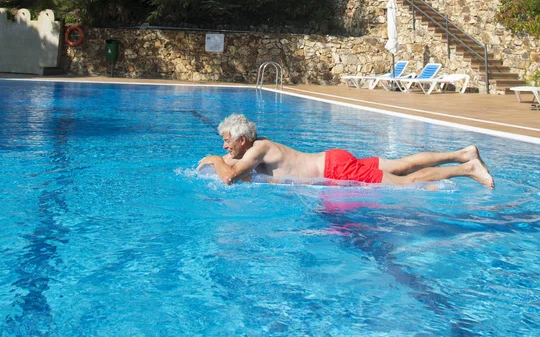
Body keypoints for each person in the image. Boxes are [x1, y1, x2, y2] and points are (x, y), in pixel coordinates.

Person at [197, 114, 494, 189]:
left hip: (334, 170)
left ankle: (466, 168)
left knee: (404, 182)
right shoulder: (259, 146)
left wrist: (213, 160)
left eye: (227, 141)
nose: (224, 146)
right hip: (334, 159)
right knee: (401, 164)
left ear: (243, 140)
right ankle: (461, 152)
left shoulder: (257, 149)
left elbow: (230, 177)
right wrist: (221, 159)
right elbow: (237, 165)